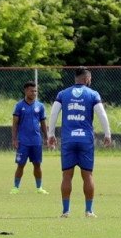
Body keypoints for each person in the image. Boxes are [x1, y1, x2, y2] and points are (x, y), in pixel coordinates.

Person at [47, 67, 112, 218]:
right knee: (87, 175)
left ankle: (65, 211)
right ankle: (89, 211)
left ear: (76, 79)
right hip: (85, 140)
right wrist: (107, 134)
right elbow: (102, 114)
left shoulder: (63, 94)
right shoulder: (93, 94)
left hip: (68, 139)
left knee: (66, 175)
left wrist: (51, 134)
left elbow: (53, 114)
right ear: (87, 79)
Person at [11, 81, 49, 194]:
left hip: (36, 141)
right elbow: (15, 124)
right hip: (23, 141)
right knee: (20, 165)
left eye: (36, 91)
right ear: (26, 91)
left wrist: (47, 137)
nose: (34, 93)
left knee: (37, 165)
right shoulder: (19, 106)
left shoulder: (40, 106)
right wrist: (14, 139)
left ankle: (39, 188)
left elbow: (43, 123)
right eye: (32, 91)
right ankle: (15, 187)